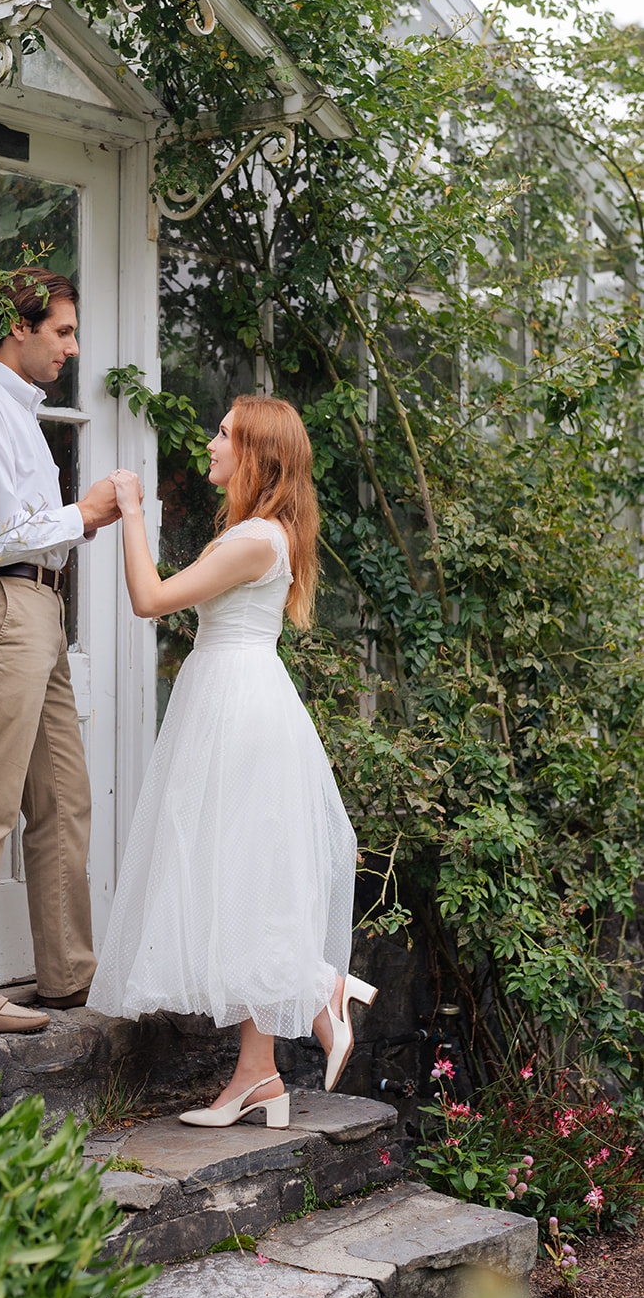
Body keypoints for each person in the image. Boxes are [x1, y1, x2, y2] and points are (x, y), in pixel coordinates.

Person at [88, 395, 377, 1127]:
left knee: (236, 873)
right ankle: (259, 1075)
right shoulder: (257, 532)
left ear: (254, 453)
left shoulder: (255, 538)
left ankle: (318, 990)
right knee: (237, 873)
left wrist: (129, 509)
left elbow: (149, 599)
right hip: (232, 698)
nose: (209, 442)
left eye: (223, 433)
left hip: (237, 709)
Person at [0, 267, 120, 1035]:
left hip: (37, 603)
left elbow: (23, 524)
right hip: (0, 600)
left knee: (63, 798)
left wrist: (74, 521)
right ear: (20, 327)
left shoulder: (13, 412)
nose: (71, 348)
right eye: (63, 332)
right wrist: (85, 510)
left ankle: (68, 975)